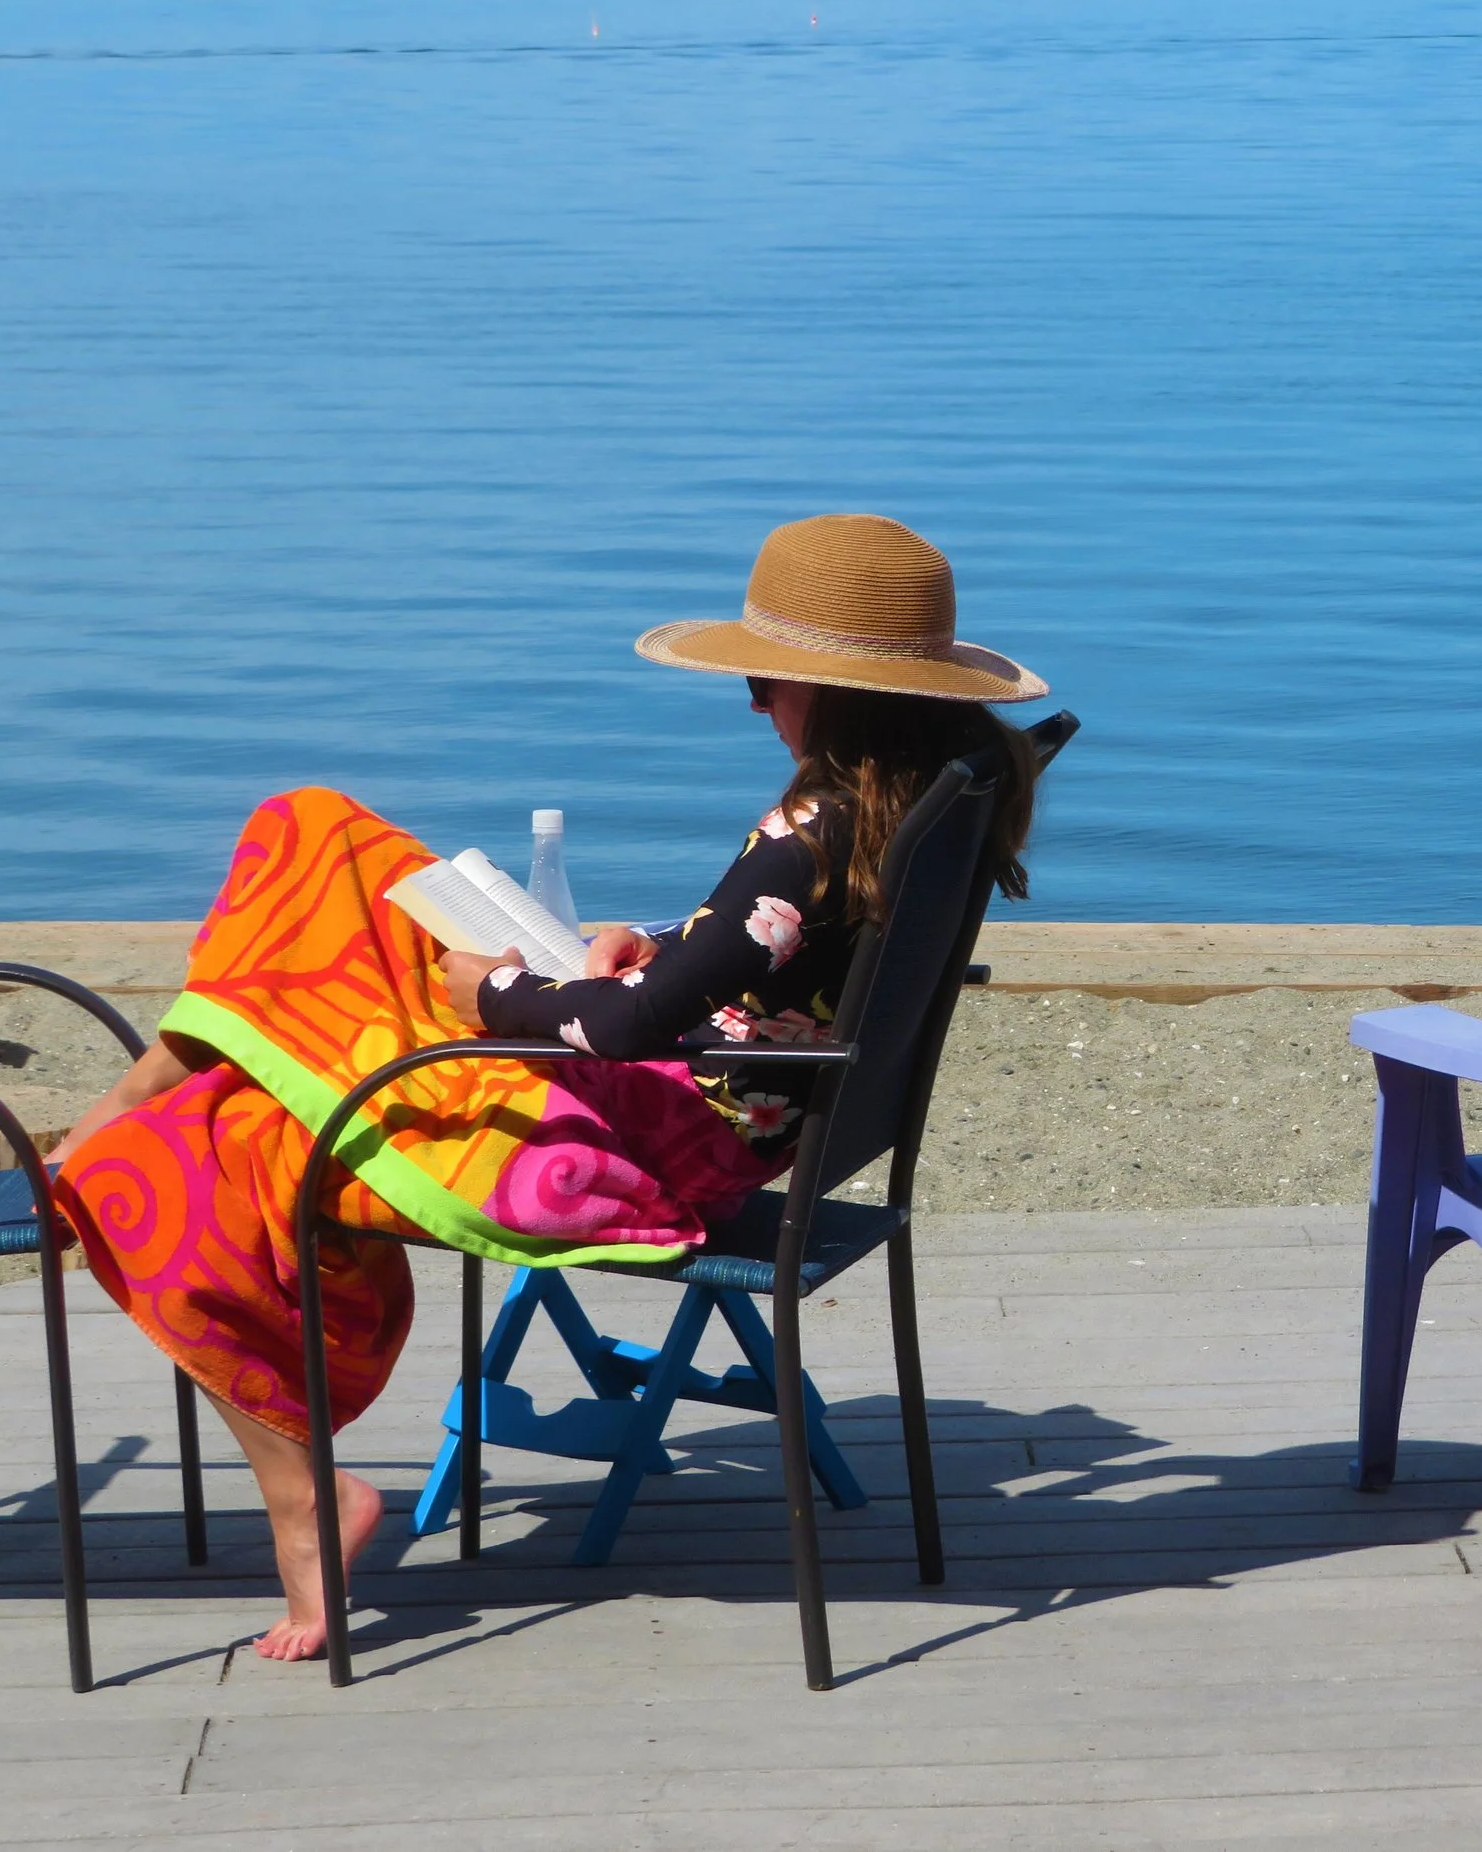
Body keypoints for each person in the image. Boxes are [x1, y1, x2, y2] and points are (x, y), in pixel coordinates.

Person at [51, 513, 1046, 1661]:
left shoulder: (803, 834)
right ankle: (175, 1081)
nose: (761, 707)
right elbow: (762, 958)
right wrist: (664, 939)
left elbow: (623, 1028)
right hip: (716, 1108)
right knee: (319, 836)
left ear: (826, 690)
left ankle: (298, 1490)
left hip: (634, 1135)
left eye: (764, 685)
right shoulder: (914, 800)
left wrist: (494, 994)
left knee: (179, 1143)